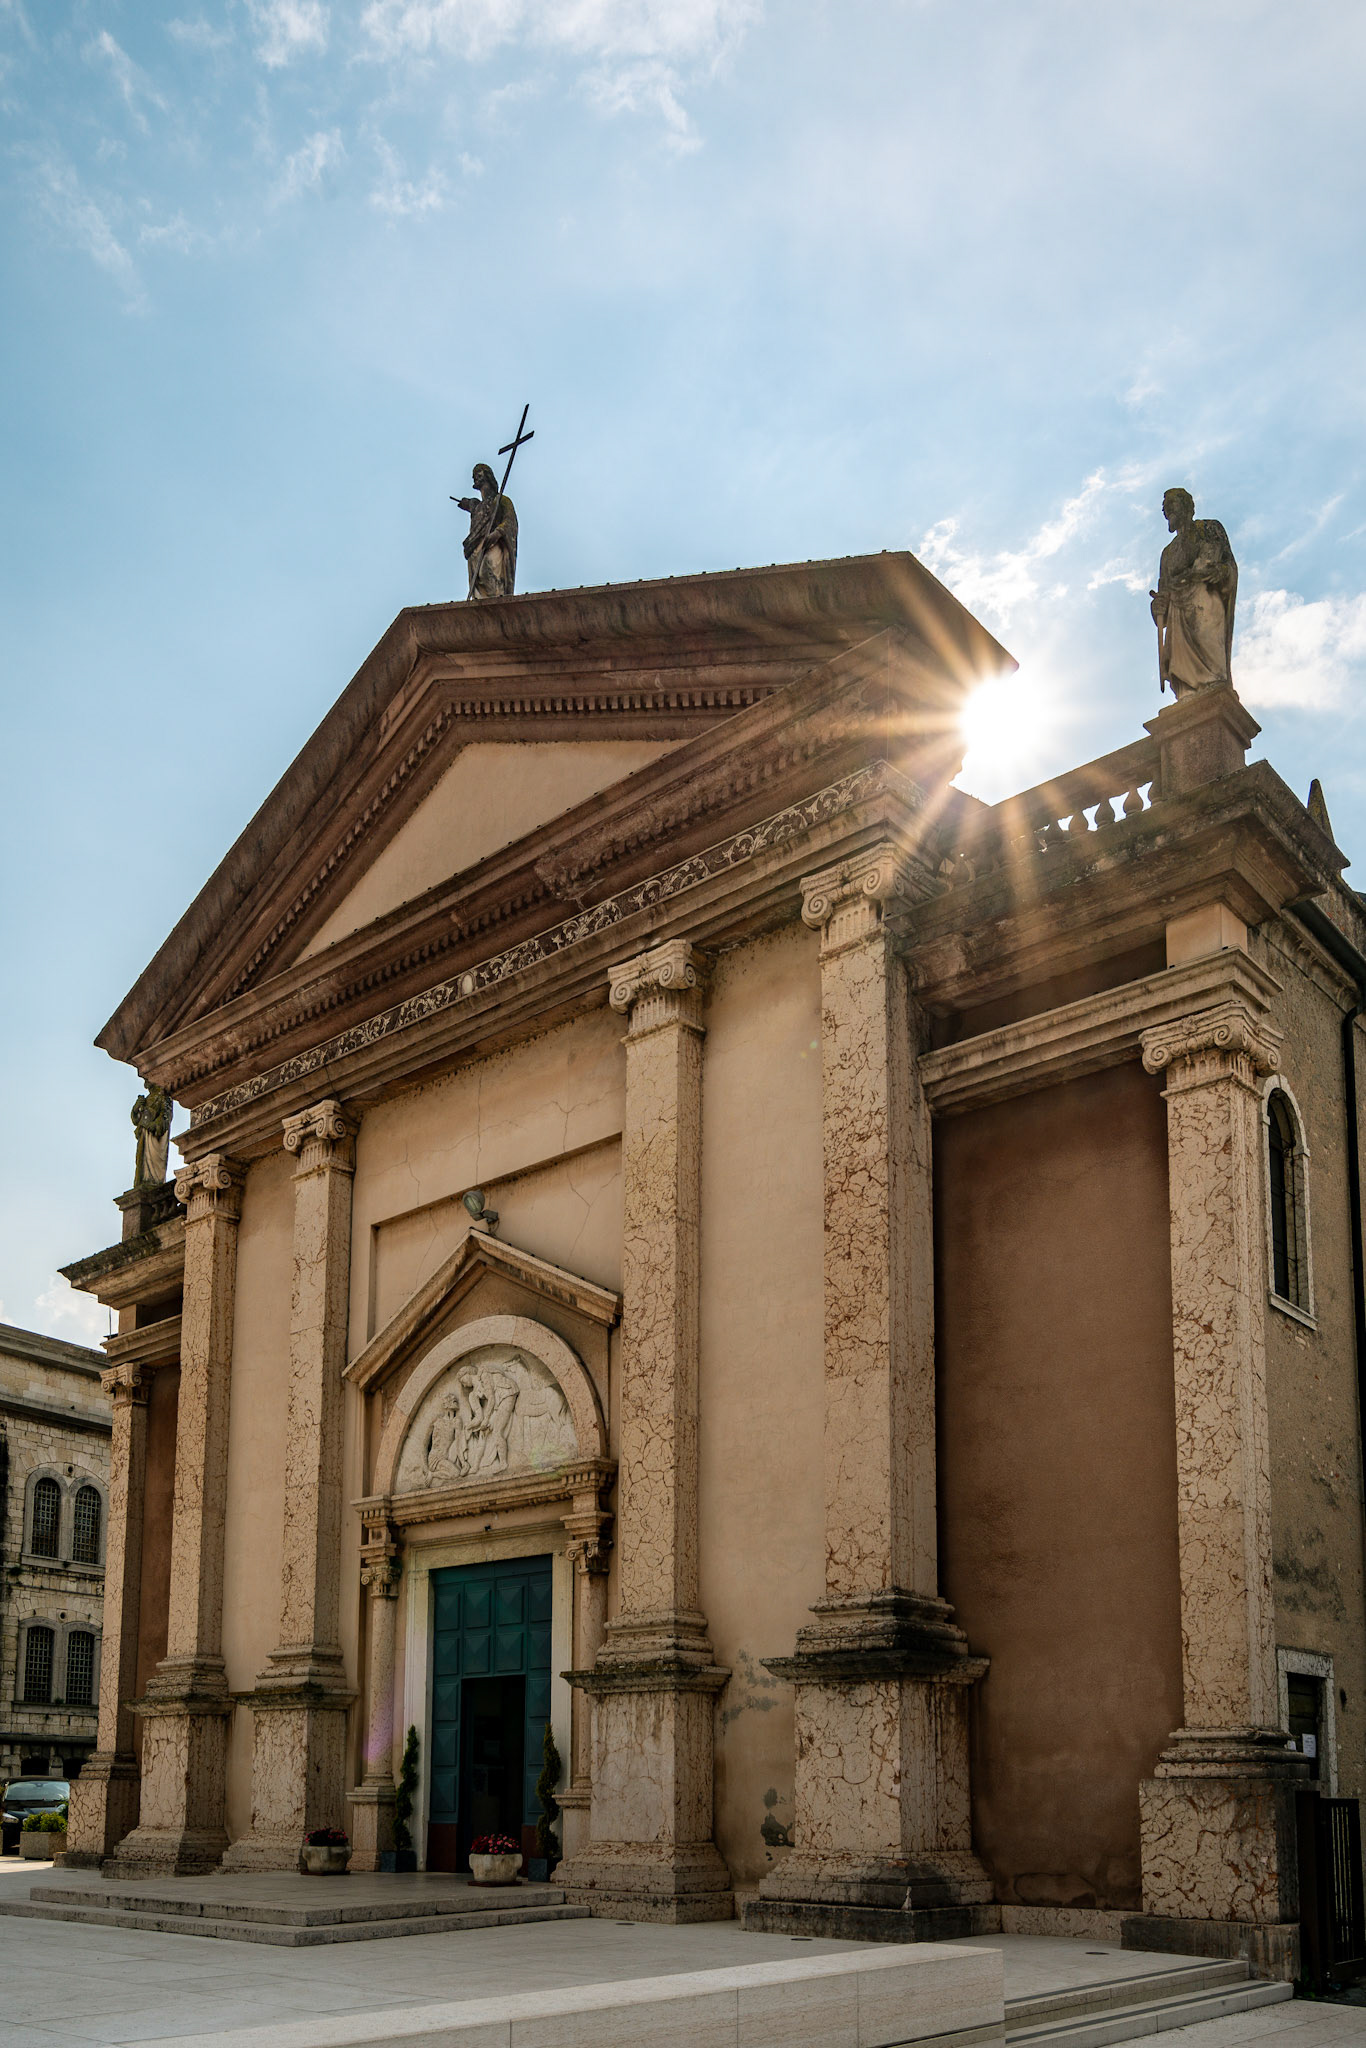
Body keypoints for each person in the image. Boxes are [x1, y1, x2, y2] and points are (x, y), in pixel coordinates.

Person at [1150, 487, 1237, 696]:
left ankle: (1215, 690)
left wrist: (1221, 571)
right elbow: (1163, 592)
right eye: (1164, 507)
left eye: (1171, 503)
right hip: (1178, 615)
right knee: (1184, 687)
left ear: (1187, 506)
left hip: (1203, 601)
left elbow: (1229, 566)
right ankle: (1188, 695)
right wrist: (1157, 606)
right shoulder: (1167, 554)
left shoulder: (1208, 529)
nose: (1166, 509)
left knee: (1213, 670)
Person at [457, 463, 518, 599]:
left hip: (493, 543)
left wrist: (497, 533)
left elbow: (510, 521)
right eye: (474, 475)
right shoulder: (478, 506)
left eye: (478, 473)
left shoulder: (501, 500)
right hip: (475, 547)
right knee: (478, 580)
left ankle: (498, 601)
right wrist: (468, 504)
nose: (475, 477)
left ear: (488, 476)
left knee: (487, 569)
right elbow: (473, 506)